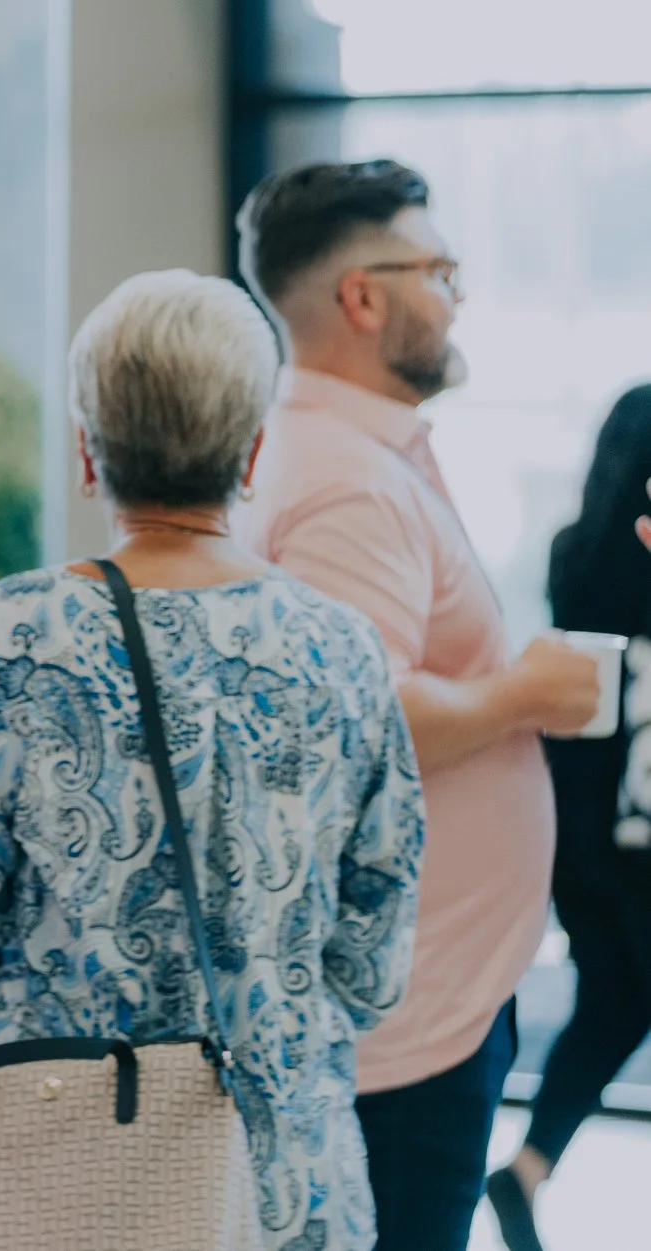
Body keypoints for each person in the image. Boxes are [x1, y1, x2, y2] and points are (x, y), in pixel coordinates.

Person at [0, 269, 426, 1251]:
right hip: (277, 1166)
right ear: (253, 450)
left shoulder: (12, 631)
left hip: (50, 1147)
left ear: (88, 452)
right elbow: (375, 945)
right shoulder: (339, 644)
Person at [233, 160, 600, 1251]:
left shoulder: (351, 451)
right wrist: (521, 691)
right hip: (407, 1022)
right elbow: (360, 718)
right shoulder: (347, 476)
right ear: (363, 297)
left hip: (425, 1000)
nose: (458, 293)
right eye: (438, 268)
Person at [486, 386, 651, 1251]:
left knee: (615, 1001)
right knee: (620, 1001)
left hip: (574, 830)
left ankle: (525, 1170)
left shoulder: (571, 556)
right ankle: (526, 1169)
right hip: (640, 833)